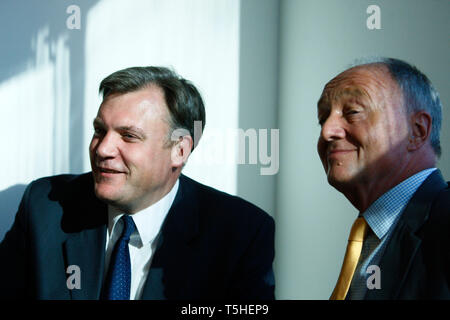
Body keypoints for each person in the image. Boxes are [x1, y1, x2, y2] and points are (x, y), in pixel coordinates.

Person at [0, 66, 275, 300]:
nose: (102, 149)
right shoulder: (45, 206)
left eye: (129, 136)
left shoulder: (240, 233)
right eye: (99, 130)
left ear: (179, 150)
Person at [317, 57, 449, 300]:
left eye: (353, 112)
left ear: (417, 131)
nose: (327, 131)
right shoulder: (370, 234)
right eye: (323, 117)